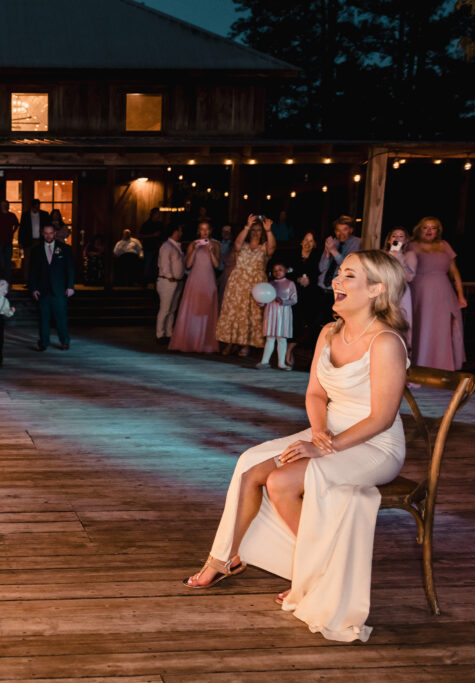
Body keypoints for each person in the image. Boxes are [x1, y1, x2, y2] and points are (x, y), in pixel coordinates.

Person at [185, 250, 410, 643]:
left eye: (349, 276)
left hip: (374, 444)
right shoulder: (328, 332)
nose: (336, 282)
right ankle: (223, 558)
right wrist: (319, 434)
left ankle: (313, 574)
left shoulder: (386, 342)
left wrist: (327, 447)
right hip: (329, 432)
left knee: (281, 482)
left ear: (376, 289)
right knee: (253, 466)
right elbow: (315, 394)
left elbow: (383, 418)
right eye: (338, 274)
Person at [409, 216, 466, 370]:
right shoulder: (411, 246)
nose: (429, 231)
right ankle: (419, 365)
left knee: (443, 328)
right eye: (425, 227)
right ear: (419, 230)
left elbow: (454, 272)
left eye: (433, 228)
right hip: (419, 292)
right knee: (422, 326)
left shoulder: (444, 245)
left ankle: (442, 366)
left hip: (443, 292)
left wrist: (460, 295)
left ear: (437, 231)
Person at [216, 215, 275, 356]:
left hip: (256, 283)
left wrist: (268, 230)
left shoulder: (264, 247)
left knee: (251, 314)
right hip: (239, 282)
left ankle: (245, 345)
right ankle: (231, 342)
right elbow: (236, 244)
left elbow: (272, 249)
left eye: (258, 230)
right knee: (235, 312)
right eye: (253, 230)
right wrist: (247, 226)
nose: (255, 232)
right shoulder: (243, 246)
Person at [169, 221, 220, 353]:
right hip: (195, 279)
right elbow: (188, 265)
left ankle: (204, 343)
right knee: (192, 310)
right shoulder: (193, 244)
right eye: (202, 229)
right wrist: (195, 249)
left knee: (206, 311)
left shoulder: (215, 244)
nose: (204, 232)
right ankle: (190, 342)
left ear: (210, 230)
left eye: (207, 229)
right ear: (198, 231)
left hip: (208, 280)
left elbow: (216, 265)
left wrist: (211, 252)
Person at [29, 224, 75, 351]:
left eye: (51, 233)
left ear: (55, 233)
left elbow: (70, 268)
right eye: (46, 233)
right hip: (42, 290)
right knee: (44, 318)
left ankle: (64, 341)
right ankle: (43, 343)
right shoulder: (36, 250)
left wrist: (70, 286)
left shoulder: (65, 249)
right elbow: (32, 271)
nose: (48, 235)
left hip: (59, 289)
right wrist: (33, 288)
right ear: (42, 233)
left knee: (61, 317)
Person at [317, 215, 361, 329]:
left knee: (336, 326)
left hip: (340, 292)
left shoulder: (357, 243)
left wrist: (333, 251)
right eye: (338, 230)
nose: (341, 233)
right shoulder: (333, 242)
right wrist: (327, 252)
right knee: (321, 325)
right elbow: (322, 268)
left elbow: (348, 265)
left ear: (351, 229)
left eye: (345, 229)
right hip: (323, 289)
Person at [287, 231, 322, 367]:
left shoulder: (317, 257)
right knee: (293, 322)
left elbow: (320, 273)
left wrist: (310, 280)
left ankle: (294, 349)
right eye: (306, 240)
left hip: (310, 295)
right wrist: (297, 279)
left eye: (311, 241)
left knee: (308, 324)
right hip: (293, 293)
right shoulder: (293, 255)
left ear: (314, 244)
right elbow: (287, 272)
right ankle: (288, 350)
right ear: (301, 242)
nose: (308, 243)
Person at [257, 261, 297, 370]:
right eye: (275, 270)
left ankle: (281, 363)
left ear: (285, 270)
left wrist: (283, 302)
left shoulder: (290, 283)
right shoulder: (270, 284)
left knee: (281, 338)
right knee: (270, 337)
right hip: (271, 312)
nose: (278, 272)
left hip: (283, 312)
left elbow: (294, 299)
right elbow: (265, 299)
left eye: (280, 269)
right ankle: (264, 362)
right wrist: (260, 302)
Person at [384, 227, 417, 347]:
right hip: (385, 291)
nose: (397, 238)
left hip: (402, 292)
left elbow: (410, 277)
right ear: (389, 240)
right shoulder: (383, 255)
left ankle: (404, 351)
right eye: (394, 236)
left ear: (405, 241)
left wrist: (399, 256)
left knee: (403, 322)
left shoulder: (410, 255)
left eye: (401, 236)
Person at [155, 226, 185, 344]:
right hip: (167, 281)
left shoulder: (177, 246)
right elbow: (164, 263)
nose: (181, 233)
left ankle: (169, 332)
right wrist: (169, 276)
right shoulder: (167, 246)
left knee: (172, 309)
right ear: (175, 231)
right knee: (165, 308)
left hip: (177, 281)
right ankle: (160, 334)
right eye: (180, 230)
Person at [0, 200, 19, 284]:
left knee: (8, 262)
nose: (4, 206)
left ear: (8, 206)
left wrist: (13, 232)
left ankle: (7, 281)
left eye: (6, 205)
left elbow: (17, 224)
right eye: (3, 205)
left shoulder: (12, 215)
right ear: (0, 206)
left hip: (8, 242)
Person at [141, 207, 166, 286]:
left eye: (159, 213)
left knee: (157, 266)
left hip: (157, 248)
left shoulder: (160, 224)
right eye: (157, 213)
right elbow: (141, 236)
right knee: (147, 265)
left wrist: (161, 243)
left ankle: (156, 283)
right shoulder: (146, 224)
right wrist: (152, 235)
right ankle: (144, 283)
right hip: (148, 248)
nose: (159, 215)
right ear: (153, 214)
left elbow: (163, 236)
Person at [216, 224, 236, 304]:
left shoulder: (235, 246)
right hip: (217, 273)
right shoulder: (217, 244)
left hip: (229, 276)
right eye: (224, 231)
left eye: (228, 231)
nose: (226, 233)